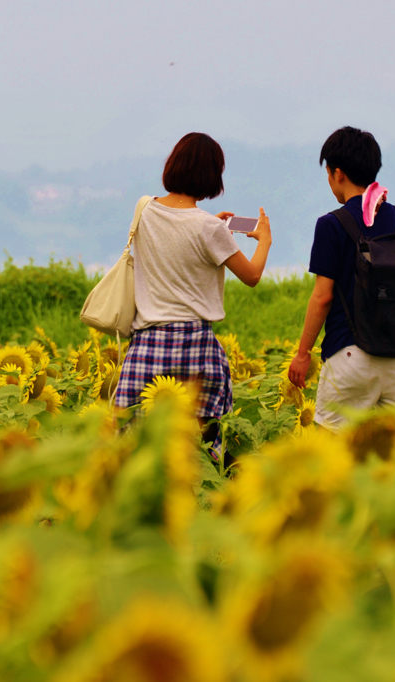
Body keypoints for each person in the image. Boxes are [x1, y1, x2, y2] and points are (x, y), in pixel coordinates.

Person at [114, 132, 272, 454]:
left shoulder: (144, 211)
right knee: (202, 453)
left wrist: (207, 227)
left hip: (147, 346)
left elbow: (176, 235)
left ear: (173, 165)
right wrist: (265, 240)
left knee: (133, 450)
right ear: (212, 176)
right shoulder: (209, 228)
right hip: (196, 349)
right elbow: (252, 276)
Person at [287, 126, 395, 429]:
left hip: (350, 357)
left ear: (338, 173)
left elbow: (322, 297)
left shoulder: (331, 224)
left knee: (328, 459)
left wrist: (302, 354)